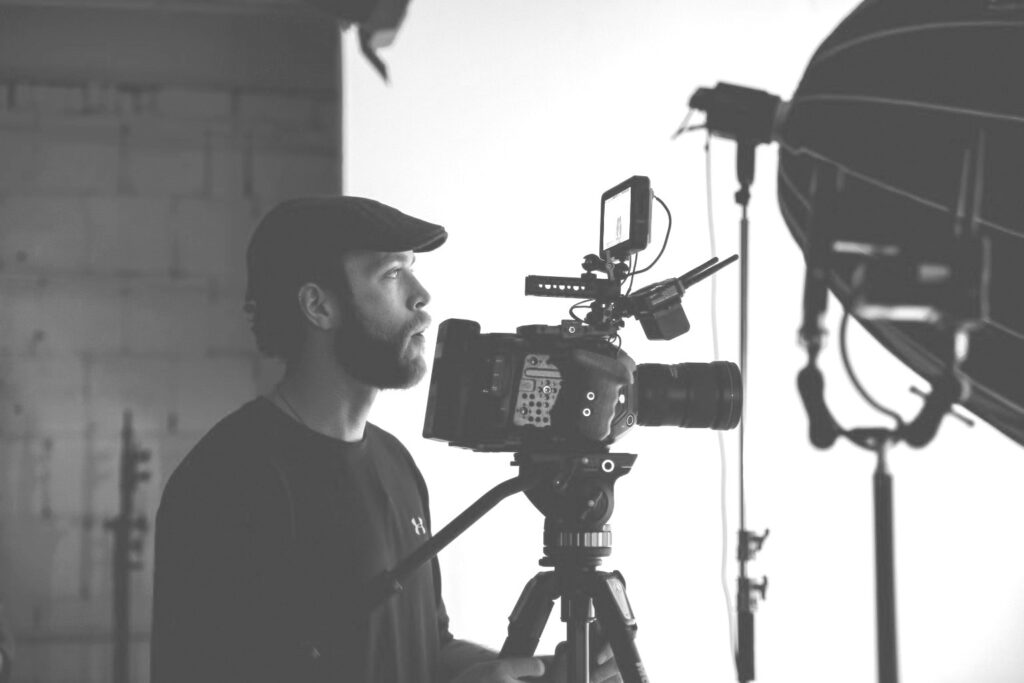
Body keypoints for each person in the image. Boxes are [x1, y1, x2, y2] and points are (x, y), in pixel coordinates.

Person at [150, 196, 622, 683]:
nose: (421, 296)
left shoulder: (395, 463)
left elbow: (425, 648)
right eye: (391, 274)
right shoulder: (228, 482)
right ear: (319, 305)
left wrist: (540, 673)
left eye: (413, 270)